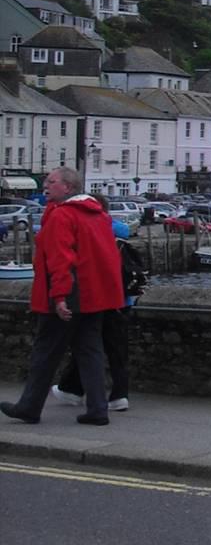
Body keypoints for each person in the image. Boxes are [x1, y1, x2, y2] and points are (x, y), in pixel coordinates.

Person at [0, 167, 124, 426]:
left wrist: (59, 296)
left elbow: (60, 259)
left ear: (67, 187)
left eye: (51, 181)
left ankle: (29, 407)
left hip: (69, 294)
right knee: (90, 351)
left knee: (45, 353)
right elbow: (107, 258)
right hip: (94, 296)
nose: (45, 185)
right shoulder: (98, 215)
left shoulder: (62, 215)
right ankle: (98, 408)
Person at [52, 199, 139, 411]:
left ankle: (73, 390)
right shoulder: (118, 230)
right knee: (116, 349)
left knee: (87, 346)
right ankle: (118, 394)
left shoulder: (93, 228)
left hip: (100, 298)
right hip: (123, 299)